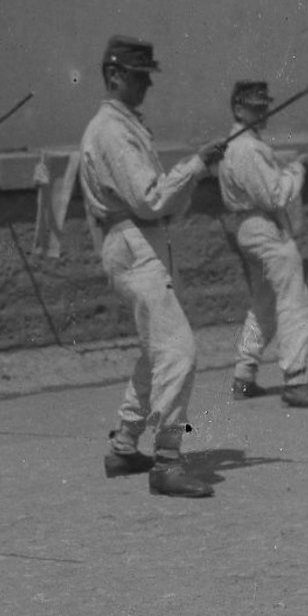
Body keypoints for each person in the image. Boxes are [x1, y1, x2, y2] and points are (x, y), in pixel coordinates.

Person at [80, 35, 219, 498]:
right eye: (139, 78)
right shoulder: (112, 131)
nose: (145, 87)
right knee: (179, 351)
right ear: (114, 75)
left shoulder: (128, 126)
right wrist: (195, 165)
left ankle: (123, 446)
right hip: (132, 243)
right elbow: (149, 198)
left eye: (147, 79)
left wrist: (196, 168)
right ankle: (167, 460)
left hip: (142, 241)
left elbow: (159, 203)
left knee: (155, 349)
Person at [213, 80, 308, 409]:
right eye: (254, 107)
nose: (262, 112)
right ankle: (296, 380)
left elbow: (269, 184)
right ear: (238, 108)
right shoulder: (246, 148)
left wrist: (295, 167)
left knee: (264, 302)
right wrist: (299, 169)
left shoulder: (243, 144)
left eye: (264, 106)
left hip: (254, 227)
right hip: (264, 227)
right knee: (295, 300)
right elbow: (274, 194)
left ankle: (244, 375)